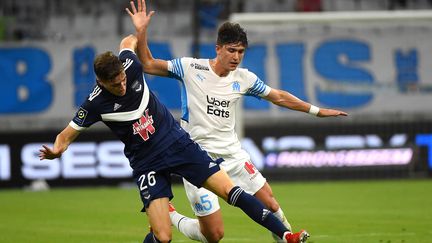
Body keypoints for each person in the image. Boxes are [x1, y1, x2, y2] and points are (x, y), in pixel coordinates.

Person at [39, 7, 307, 243]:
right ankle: (166, 219)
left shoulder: (130, 65)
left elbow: (128, 42)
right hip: (146, 162)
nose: (122, 85)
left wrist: (140, 31)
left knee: (231, 191)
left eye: (122, 79)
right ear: (100, 83)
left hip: (178, 143)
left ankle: (285, 235)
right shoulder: (93, 104)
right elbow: (67, 132)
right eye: (114, 84)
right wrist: (57, 149)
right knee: (163, 236)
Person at [127, 1, 348, 242]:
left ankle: (288, 238)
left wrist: (317, 111)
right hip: (196, 157)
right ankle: (171, 216)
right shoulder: (190, 67)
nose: (236, 57)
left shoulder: (244, 78)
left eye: (241, 52)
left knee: (270, 201)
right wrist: (141, 30)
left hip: (233, 155)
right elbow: (148, 64)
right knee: (213, 235)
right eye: (231, 50)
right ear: (218, 48)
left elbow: (278, 97)